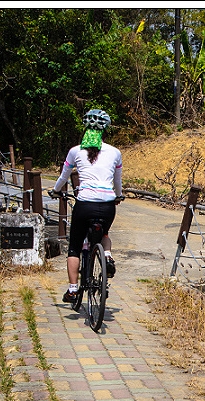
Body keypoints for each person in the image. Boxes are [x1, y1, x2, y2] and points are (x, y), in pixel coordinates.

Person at [49, 108, 124, 304]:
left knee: (74, 246)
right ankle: (106, 255)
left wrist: (56, 191)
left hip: (84, 205)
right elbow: (117, 181)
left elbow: (64, 177)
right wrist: (118, 195)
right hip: (107, 205)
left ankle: (73, 289)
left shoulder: (75, 151)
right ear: (106, 130)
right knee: (105, 233)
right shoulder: (115, 152)